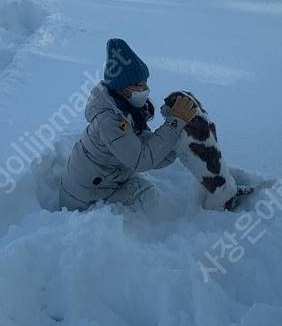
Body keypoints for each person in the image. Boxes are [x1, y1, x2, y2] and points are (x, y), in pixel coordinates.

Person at [59, 38, 198, 212]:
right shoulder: (109, 121)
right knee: (147, 197)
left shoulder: (126, 109)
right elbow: (142, 161)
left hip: (104, 182)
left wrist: (176, 144)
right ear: (120, 87)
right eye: (138, 85)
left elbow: (147, 148)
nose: (145, 89)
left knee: (145, 190)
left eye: (145, 82)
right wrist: (174, 123)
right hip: (83, 201)